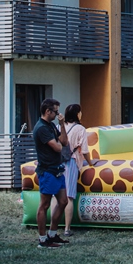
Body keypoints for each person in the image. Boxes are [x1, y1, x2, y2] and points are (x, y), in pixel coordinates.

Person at [32, 98, 70, 248]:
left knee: (63, 201)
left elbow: (64, 142)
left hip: (57, 169)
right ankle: (43, 240)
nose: (58, 114)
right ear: (48, 111)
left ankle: (52, 235)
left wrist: (62, 124)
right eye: (56, 111)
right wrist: (59, 142)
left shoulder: (51, 125)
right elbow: (58, 147)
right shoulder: (41, 128)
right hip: (47, 171)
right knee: (45, 204)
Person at [60, 104, 98, 236]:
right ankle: (67, 228)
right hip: (71, 162)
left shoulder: (60, 127)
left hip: (58, 162)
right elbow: (85, 151)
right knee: (69, 196)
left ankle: (53, 226)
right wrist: (91, 163)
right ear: (77, 114)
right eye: (80, 112)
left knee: (56, 195)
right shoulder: (80, 129)